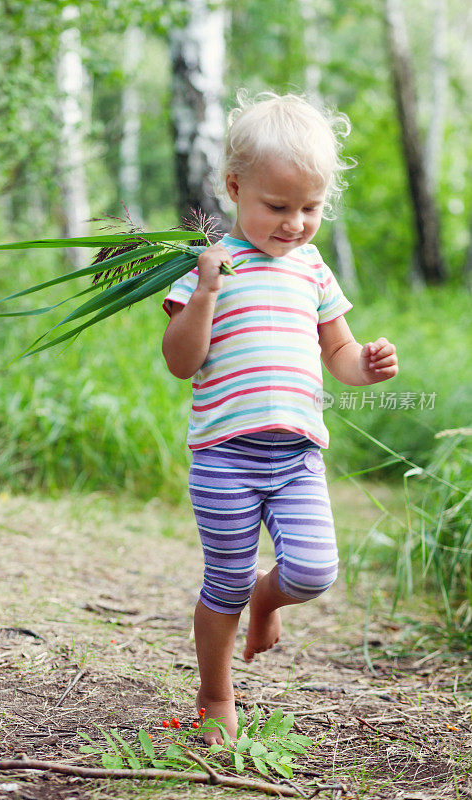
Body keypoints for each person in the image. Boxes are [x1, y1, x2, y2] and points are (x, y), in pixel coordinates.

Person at [161, 90, 398, 745]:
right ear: (235, 188)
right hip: (223, 457)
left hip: (295, 456)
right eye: (277, 206)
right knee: (224, 581)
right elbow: (181, 361)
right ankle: (215, 697)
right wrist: (205, 291)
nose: (295, 223)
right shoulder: (210, 267)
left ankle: (269, 599)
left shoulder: (312, 269)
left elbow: (339, 353)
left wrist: (366, 364)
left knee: (315, 570)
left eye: (310, 208)